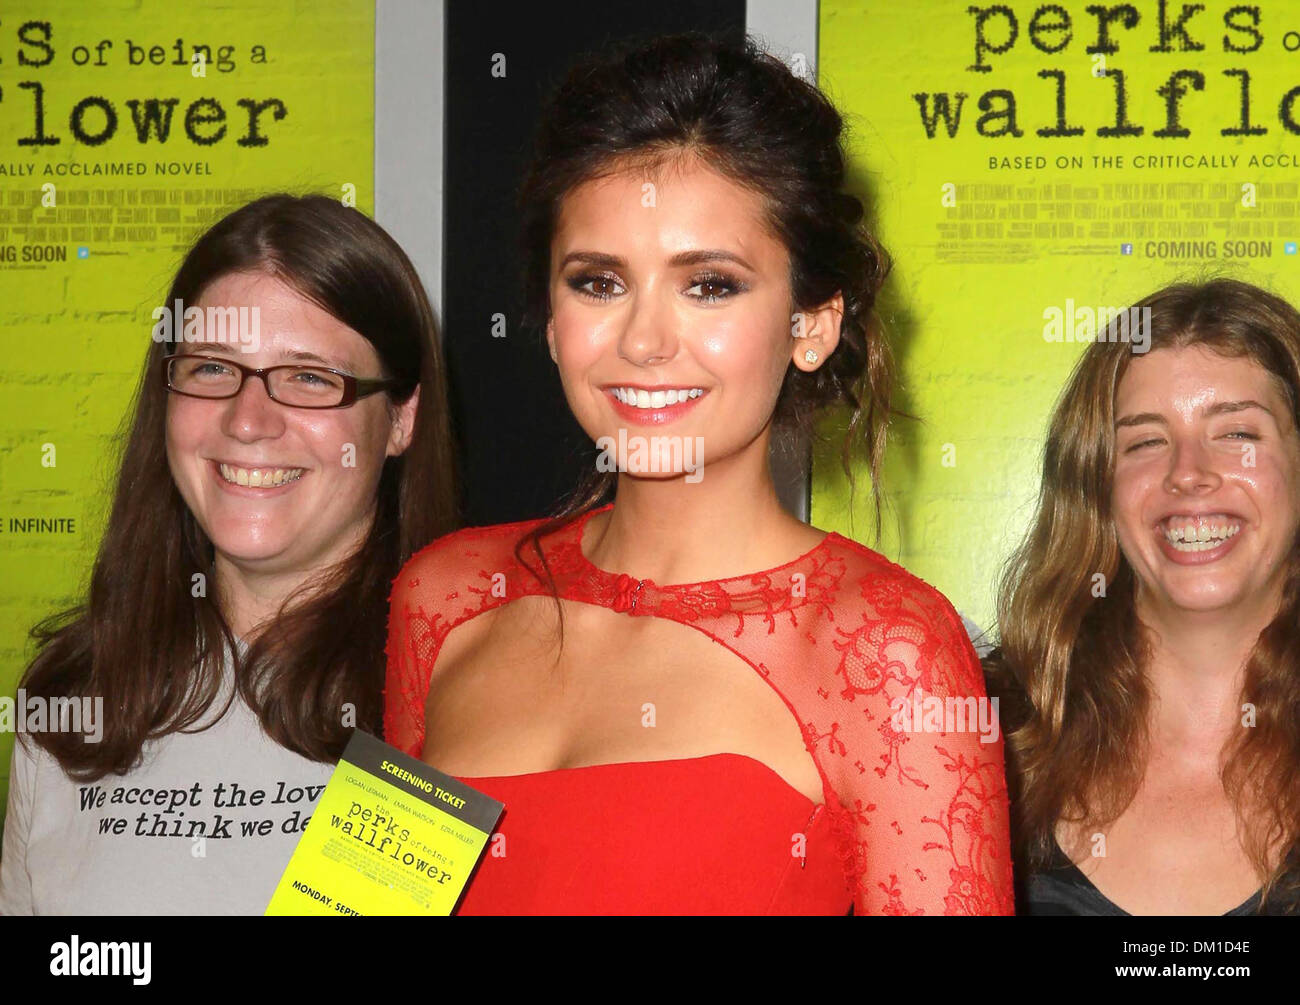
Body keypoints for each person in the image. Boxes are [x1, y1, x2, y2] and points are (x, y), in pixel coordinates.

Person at [385, 33, 1013, 915]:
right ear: (552, 319)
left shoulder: (887, 650)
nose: (643, 341)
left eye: (709, 285)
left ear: (812, 325)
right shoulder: (445, 598)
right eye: (599, 283)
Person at [0, 194, 457, 914]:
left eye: (309, 376)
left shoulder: (458, 697)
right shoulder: (72, 701)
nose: (248, 420)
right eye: (213, 368)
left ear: (400, 419)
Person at [988, 278, 1300, 915]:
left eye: (1238, 433)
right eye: (1145, 441)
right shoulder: (984, 737)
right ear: (1096, 487)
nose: (1188, 472)